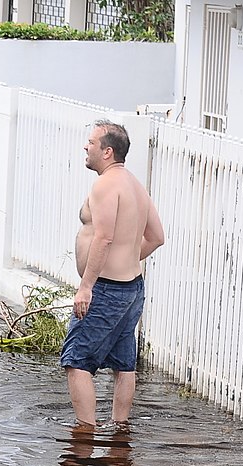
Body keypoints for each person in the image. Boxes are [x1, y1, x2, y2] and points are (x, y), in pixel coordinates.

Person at [60, 120, 165, 427]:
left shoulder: (106, 185)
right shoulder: (135, 185)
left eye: (90, 143)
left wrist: (86, 287)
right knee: (124, 363)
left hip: (106, 290)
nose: (85, 147)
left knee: (76, 360)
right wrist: (129, 260)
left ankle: (85, 435)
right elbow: (157, 236)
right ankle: (119, 432)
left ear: (107, 151)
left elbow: (104, 238)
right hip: (132, 289)